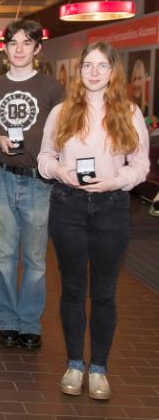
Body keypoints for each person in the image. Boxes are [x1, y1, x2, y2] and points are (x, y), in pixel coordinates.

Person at [38, 41, 149, 400]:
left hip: (112, 208)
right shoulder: (61, 112)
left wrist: (116, 180)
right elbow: (44, 157)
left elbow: (141, 165)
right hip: (68, 205)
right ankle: (74, 363)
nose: (94, 72)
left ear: (113, 71)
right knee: (72, 290)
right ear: (79, 70)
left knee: (103, 293)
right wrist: (60, 171)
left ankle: (98, 368)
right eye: (88, 65)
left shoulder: (129, 112)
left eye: (102, 66)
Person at [0, 19, 64, 350]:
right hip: (1, 179)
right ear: (4, 48)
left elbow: (63, 134)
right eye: (13, 43)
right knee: (3, 256)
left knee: (34, 259)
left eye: (26, 43)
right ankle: (7, 322)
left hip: (38, 183)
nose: (19, 49)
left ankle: (30, 322)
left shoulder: (52, 88)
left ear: (37, 49)